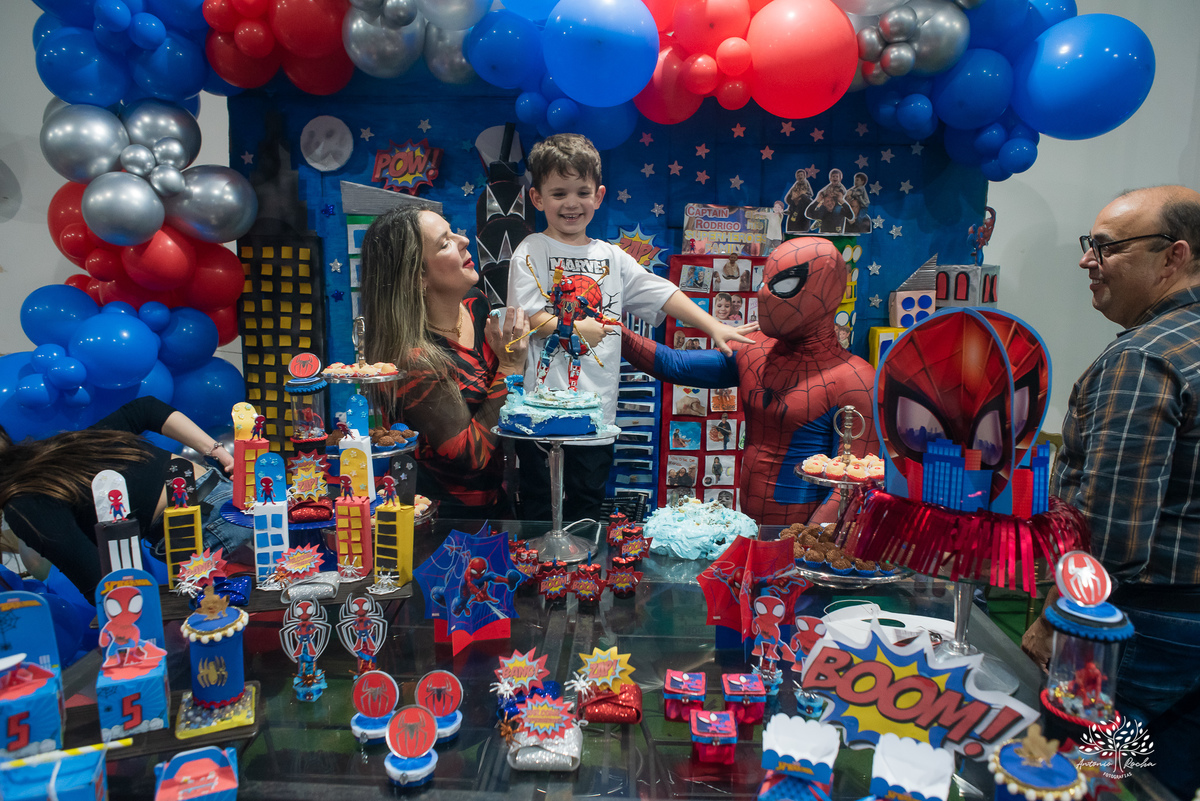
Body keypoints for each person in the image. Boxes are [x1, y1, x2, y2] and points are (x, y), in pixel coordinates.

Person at [1021, 186, 1200, 797]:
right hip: (1184, 639)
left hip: (1136, 636)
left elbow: (1111, 529)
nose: (1086, 261)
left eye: (1107, 247)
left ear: (1173, 258)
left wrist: (1055, 622)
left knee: (1084, 776)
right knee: (1159, 784)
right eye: (1088, 244)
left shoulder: (1145, 358)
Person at [508, 133, 751, 522]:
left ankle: (581, 579)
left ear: (599, 196)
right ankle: (540, 577)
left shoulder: (611, 257)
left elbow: (662, 293)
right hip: (542, 416)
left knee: (587, 505)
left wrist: (713, 326)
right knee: (541, 506)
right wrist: (573, 327)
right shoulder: (531, 250)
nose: (571, 203)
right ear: (537, 198)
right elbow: (530, 318)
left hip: (598, 417)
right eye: (558, 193)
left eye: (581, 192)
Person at [360, 206, 531, 519]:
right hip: (442, 524)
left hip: (496, 504)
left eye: (454, 232)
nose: (463, 240)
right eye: (445, 243)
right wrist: (510, 368)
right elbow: (470, 454)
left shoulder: (475, 304)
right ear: (418, 276)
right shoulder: (414, 359)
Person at [0, 397, 239, 598]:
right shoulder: (61, 449)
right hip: (227, 497)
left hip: (205, 529)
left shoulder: (24, 503)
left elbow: (102, 583)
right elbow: (146, 409)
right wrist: (220, 454)